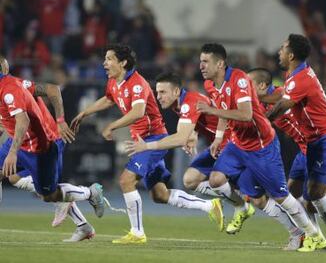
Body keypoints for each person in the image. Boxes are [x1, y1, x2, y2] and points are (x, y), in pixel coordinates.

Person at [71, 44, 223, 244]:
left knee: (126, 180)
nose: (104, 63)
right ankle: (209, 206)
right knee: (159, 194)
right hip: (141, 141)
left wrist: (112, 126)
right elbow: (108, 100)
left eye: (109, 59)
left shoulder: (137, 83)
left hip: (153, 138)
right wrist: (84, 113)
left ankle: (137, 233)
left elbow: (138, 112)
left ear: (123, 62)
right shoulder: (114, 83)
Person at [196, 43, 325, 252]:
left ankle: (313, 234)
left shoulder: (238, 79)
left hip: (261, 146)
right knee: (217, 180)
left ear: (220, 64)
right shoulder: (211, 85)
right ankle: (242, 207)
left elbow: (246, 115)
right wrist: (219, 138)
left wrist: (211, 110)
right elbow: (223, 111)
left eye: (205, 61)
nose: (201, 66)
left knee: (282, 196)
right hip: (238, 145)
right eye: (200, 61)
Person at [124, 71, 255, 235]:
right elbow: (203, 120)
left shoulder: (189, 101)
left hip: (234, 144)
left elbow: (180, 138)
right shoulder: (179, 105)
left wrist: (147, 146)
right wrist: (194, 134)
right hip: (218, 146)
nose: (159, 97)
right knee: (190, 180)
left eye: (163, 92)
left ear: (177, 91)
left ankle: (244, 202)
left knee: (247, 191)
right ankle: (239, 204)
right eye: (157, 92)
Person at [248, 68, 326, 221]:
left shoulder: (283, 93)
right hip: (304, 149)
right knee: (294, 195)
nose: (246, 90)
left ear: (261, 86)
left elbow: (282, 100)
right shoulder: (260, 105)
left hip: (317, 144)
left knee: (324, 198)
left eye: (249, 85)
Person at [266, 34, 326, 252]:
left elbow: (283, 105)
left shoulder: (300, 78)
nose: (279, 52)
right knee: (298, 190)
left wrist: (261, 119)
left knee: (316, 192)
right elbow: (284, 96)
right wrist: (258, 100)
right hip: (315, 140)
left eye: (283, 48)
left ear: (291, 54)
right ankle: (316, 237)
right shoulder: (294, 74)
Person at [0, 58, 104, 232]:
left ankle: (90, 193)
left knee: (50, 195)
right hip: (22, 141)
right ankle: (83, 226)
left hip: (40, 146)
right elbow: (49, 90)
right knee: (13, 177)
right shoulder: (17, 83)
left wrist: (61, 120)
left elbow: (23, 120)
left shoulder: (9, 89)